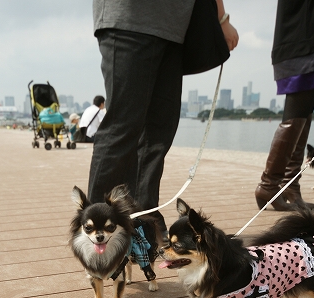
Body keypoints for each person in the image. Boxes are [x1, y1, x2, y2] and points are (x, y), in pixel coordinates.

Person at [88, 0, 239, 234]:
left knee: (158, 135)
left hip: (176, 27)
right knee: (122, 127)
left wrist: (221, 18)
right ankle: (97, 228)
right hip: (130, 17)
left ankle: (144, 222)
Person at [255, 0, 314, 211]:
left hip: (311, 37)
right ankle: (269, 184)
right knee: (298, 111)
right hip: (303, 38)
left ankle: (289, 184)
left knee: (304, 112)